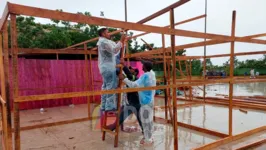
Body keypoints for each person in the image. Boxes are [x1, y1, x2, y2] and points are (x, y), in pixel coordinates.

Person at [119, 61, 156, 146]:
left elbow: (134, 85)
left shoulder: (144, 76)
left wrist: (124, 79)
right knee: (149, 120)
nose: (142, 67)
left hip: (145, 102)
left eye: (143, 66)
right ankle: (149, 136)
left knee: (145, 121)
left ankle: (148, 140)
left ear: (145, 67)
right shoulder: (152, 74)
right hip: (150, 100)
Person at [107, 66, 143, 134]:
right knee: (122, 117)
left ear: (135, 72)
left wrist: (123, 66)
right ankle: (112, 128)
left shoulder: (135, 78)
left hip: (135, 102)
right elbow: (126, 77)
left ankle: (145, 132)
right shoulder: (131, 78)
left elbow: (128, 77)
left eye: (131, 69)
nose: (130, 70)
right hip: (130, 102)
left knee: (140, 119)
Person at [97, 28, 126, 111]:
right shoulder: (103, 42)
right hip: (108, 67)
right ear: (103, 34)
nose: (109, 34)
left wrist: (121, 44)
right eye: (107, 32)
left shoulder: (103, 42)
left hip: (106, 67)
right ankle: (109, 106)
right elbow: (114, 50)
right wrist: (121, 41)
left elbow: (115, 52)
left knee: (106, 86)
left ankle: (103, 105)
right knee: (111, 86)